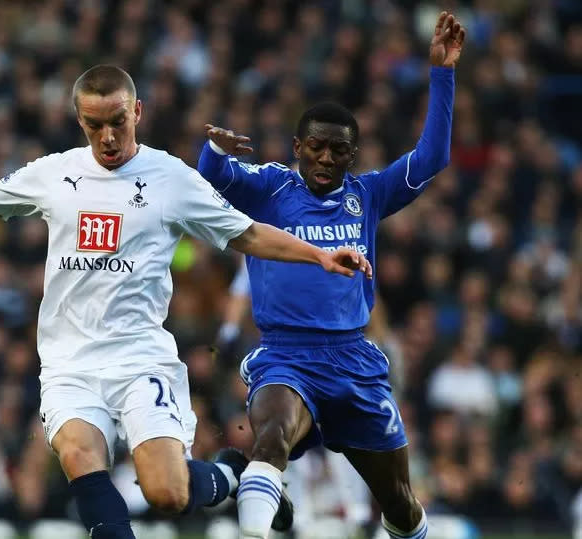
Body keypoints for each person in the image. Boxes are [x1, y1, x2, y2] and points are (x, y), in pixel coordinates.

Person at [0, 65, 370, 539]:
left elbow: (248, 234)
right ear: (79, 120)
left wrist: (319, 255)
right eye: (94, 125)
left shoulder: (173, 179)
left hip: (141, 358)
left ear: (137, 110)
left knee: (168, 495)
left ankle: (231, 473)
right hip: (69, 363)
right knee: (80, 458)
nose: (108, 136)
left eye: (118, 120)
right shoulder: (54, 173)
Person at [197, 12, 465, 539]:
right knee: (271, 433)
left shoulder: (367, 195)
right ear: (297, 147)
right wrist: (214, 149)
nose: (325, 157)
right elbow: (213, 174)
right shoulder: (271, 187)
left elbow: (433, 157)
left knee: (400, 503)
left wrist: (442, 72)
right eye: (315, 146)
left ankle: (398, 524)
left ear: (353, 154)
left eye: (338, 149)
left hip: (355, 362)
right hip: (285, 354)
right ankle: (259, 514)